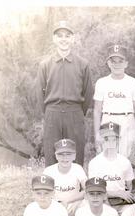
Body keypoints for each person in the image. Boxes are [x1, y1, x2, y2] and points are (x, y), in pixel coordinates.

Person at [35, 20, 94, 166]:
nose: (63, 39)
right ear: (54, 39)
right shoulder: (45, 65)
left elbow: (88, 92)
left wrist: (78, 112)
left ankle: (75, 186)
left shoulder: (82, 64)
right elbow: (39, 92)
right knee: (51, 152)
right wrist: (48, 112)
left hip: (74, 113)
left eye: (67, 36)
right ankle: (50, 187)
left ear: (72, 39)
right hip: (52, 113)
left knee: (76, 152)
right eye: (60, 36)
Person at [93, 44, 135, 160]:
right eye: (113, 61)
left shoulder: (133, 82)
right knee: (107, 159)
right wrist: (96, 134)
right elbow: (96, 111)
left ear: (126, 63)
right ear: (108, 63)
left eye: (120, 61)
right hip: (108, 119)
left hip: (127, 120)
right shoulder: (102, 82)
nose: (117, 64)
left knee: (127, 159)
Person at [88, 122, 135, 214]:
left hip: (122, 201)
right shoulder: (95, 162)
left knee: (131, 213)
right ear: (101, 140)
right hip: (102, 201)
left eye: (114, 139)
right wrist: (117, 193)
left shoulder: (124, 161)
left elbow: (131, 186)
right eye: (106, 139)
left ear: (119, 140)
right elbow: (94, 190)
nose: (111, 143)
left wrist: (129, 194)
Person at [43, 139, 87, 216]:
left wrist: (67, 201)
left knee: (86, 204)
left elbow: (87, 190)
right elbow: (44, 193)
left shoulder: (78, 168)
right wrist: (57, 204)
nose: (65, 158)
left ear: (74, 156)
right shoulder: (48, 171)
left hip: (73, 204)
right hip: (55, 205)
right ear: (56, 156)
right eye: (61, 154)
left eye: (68, 154)